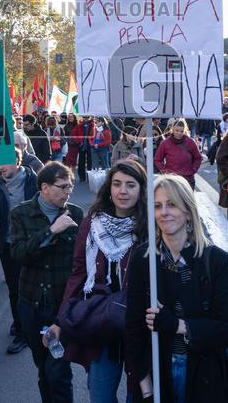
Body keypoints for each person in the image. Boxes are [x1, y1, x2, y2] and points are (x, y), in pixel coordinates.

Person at [125, 174, 228, 403]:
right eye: (157, 206)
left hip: (205, 377)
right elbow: (133, 329)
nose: (164, 212)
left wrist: (179, 326)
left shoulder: (215, 261)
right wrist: (147, 390)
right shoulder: (143, 259)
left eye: (172, 204)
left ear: (188, 211)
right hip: (159, 376)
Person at [49, 160, 147, 403]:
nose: (123, 191)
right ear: (109, 188)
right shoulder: (92, 222)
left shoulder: (152, 227)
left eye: (130, 185)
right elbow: (79, 274)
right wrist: (60, 320)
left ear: (141, 190)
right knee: (101, 395)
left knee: (141, 394)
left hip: (140, 322)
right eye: (117, 184)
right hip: (102, 318)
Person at [10, 161, 84, 402]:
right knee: (43, 370)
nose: (68, 192)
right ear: (44, 188)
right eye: (63, 187)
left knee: (59, 371)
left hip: (60, 307)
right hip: (31, 303)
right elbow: (19, 254)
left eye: (70, 186)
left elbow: (80, 262)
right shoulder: (20, 213)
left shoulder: (76, 213)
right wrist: (51, 231)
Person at [0, 149, 38, 355]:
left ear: (17, 162)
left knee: (28, 288)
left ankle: (25, 330)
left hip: (30, 243)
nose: (1, 168)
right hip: (7, 245)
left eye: (5, 164)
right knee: (14, 289)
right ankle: (20, 325)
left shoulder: (33, 181)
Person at [153, 119, 202, 189]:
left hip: (187, 179)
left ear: (184, 131)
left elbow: (198, 158)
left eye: (181, 131)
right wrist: (165, 171)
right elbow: (157, 160)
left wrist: (193, 169)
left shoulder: (190, 142)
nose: (179, 133)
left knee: (187, 200)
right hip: (172, 180)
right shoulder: (165, 143)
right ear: (172, 130)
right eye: (177, 130)